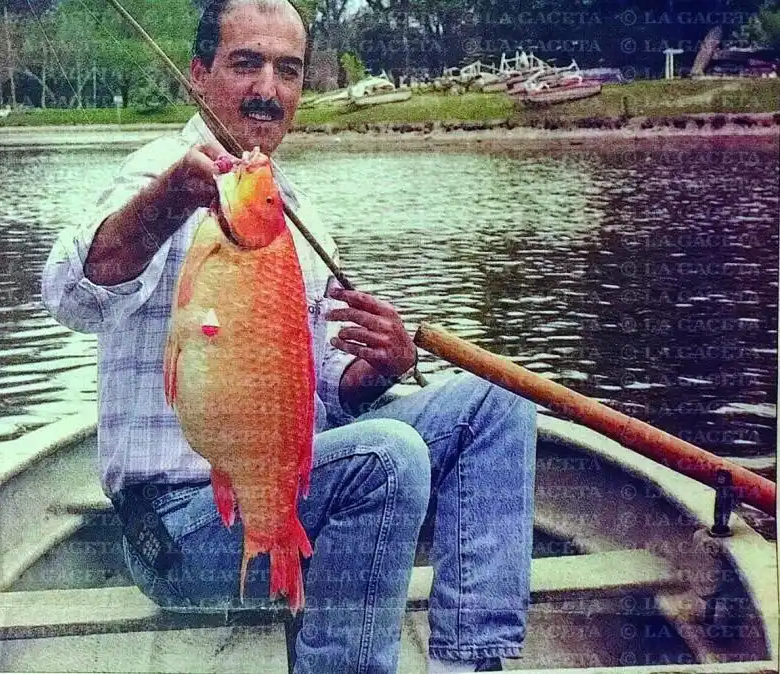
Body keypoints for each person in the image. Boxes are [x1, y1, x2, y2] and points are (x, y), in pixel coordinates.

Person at [41, 1, 537, 672]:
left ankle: (471, 660)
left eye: (288, 70)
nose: (268, 90)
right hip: (179, 529)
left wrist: (381, 365)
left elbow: (327, 390)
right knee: (388, 457)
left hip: (281, 487)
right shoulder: (156, 174)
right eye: (246, 63)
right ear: (198, 74)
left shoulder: (293, 214)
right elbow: (70, 295)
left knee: (495, 401)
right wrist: (165, 205)